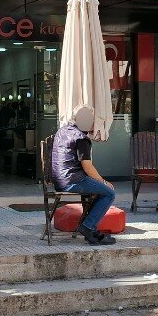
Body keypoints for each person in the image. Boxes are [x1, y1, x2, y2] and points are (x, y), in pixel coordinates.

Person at [51, 105, 117, 246]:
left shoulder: (62, 131)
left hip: (59, 180)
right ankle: (88, 228)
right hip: (72, 180)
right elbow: (87, 167)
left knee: (98, 190)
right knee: (109, 193)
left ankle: (90, 228)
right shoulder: (81, 138)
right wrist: (104, 182)